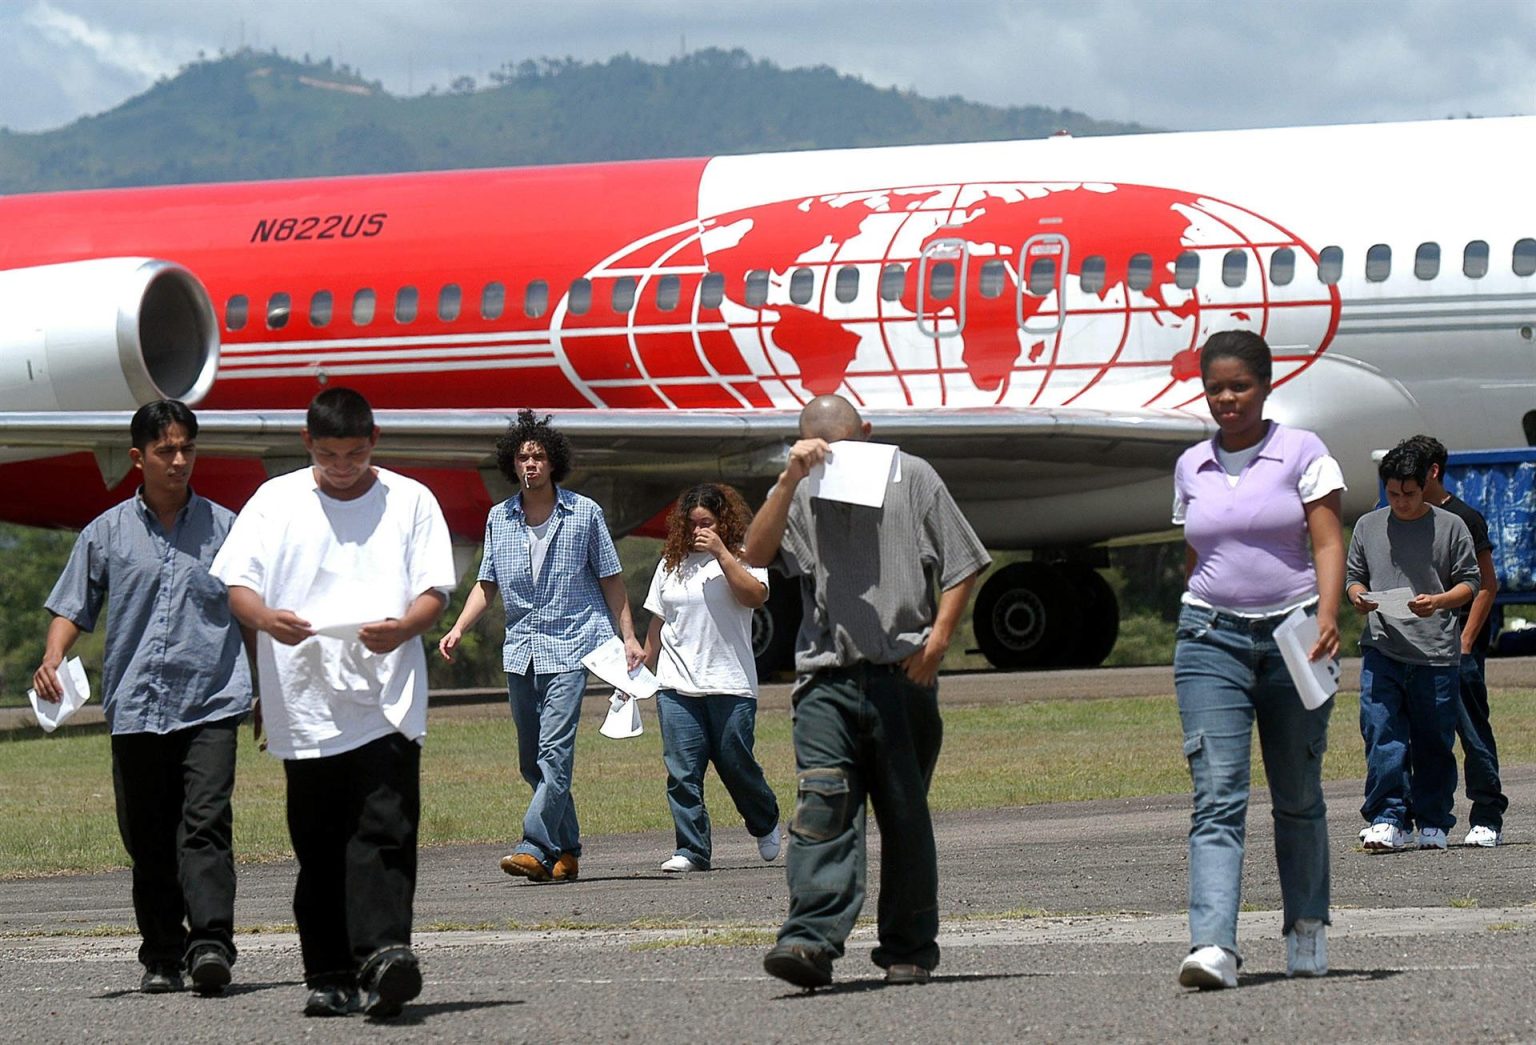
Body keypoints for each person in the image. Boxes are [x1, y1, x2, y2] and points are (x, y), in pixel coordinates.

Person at [211, 387, 456, 1019]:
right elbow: (237, 586)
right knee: (319, 845)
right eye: (327, 455)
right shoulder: (275, 501)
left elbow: (434, 590)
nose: (341, 466)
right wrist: (266, 619)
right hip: (306, 702)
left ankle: (384, 960)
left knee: (385, 832)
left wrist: (405, 627)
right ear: (307, 444)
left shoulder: (410, 501)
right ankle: (328, 973)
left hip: (386, 701)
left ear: (374, 440)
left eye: (352, 453)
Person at [743, 394, 989, 990]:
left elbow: (962, 561)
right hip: (827, 678)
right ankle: (809, 940)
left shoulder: (915, 476)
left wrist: (938, 641)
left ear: (870, 433)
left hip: (901, 675)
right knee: (823, 807)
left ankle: (908, 949)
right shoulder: (801, 489)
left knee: (904, 816)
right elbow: (754, 554)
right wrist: (788, 478)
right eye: (821, 444)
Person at [33, 399, 252, 996]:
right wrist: (53, 657)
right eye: (165, 451)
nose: (178, 460)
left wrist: (267, 692)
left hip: (211, 701)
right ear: (138, 458)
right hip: (134, 709)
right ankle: (162, 952)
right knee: (148, 837)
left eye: (187, 448)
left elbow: (249, 613)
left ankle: (211, 944)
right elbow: (71, 606)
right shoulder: (105, 533)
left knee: (205, 825)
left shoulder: (228, 529)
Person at [1171, 330, 1345, 990]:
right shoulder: (1191, 465)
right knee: (1216, 794)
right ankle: (1212, 943)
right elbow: (1196, 552)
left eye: (1239, 385)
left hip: (1296, 633)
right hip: (1209, 636)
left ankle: (1306, 926)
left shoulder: (1303, 451)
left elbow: (1328, 542)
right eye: (1215, 387)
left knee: (1297, 793)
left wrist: (1329, 613)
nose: (1226, 398)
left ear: (1266, 385)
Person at [438, 408, 644, 884]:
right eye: (522, 457)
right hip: (521, 650)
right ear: (512, 465)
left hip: (573, 646)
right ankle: (567, 849)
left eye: (538, 456)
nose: (530, 464)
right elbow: (486, 585)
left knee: (554, 753)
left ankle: (534, 845)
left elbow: (612, 581)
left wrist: (628, 636)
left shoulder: (584, 514)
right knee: (531, 759)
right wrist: (459, 628)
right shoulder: (499, 518)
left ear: (553, 464)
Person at [641, 483, 781, 873]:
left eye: (709, 523)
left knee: (735, 761)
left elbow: (755, 596)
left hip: (729, 681)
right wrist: (638, 671)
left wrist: (721, 553)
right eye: (694, 524)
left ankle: (764, 818)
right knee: (682, 771)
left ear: (724, 523)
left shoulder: (744, 556)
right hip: (676, 683)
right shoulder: (671, 563)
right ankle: (691, 849)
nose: (700, 530)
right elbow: (658, 621)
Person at [1347, 442, 1479, 853]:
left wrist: (1436, 602)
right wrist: (1357, 595)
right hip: (1382, 646)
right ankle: (1388, 817)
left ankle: (1434, 820)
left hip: (1436, 652)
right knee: (1382, 732)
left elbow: (1470, 583)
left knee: (1433, 740)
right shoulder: (1367, 526)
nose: (1401, 502)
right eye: (1393, 494)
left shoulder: (1452, 526)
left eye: (1409, 493)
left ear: (1427, 485)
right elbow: (1354, 575)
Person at [1403, 434, 1506, 847]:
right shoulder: (1398, 515)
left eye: (1413, 475)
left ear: (1432, 472)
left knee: (1472, 732)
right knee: (1415, 735)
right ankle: (1412, 817)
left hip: (1456, 646)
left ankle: (1487, 817)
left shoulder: (1465, 518)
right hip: (1412, 645)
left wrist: (1465, 641)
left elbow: (1486, 585)